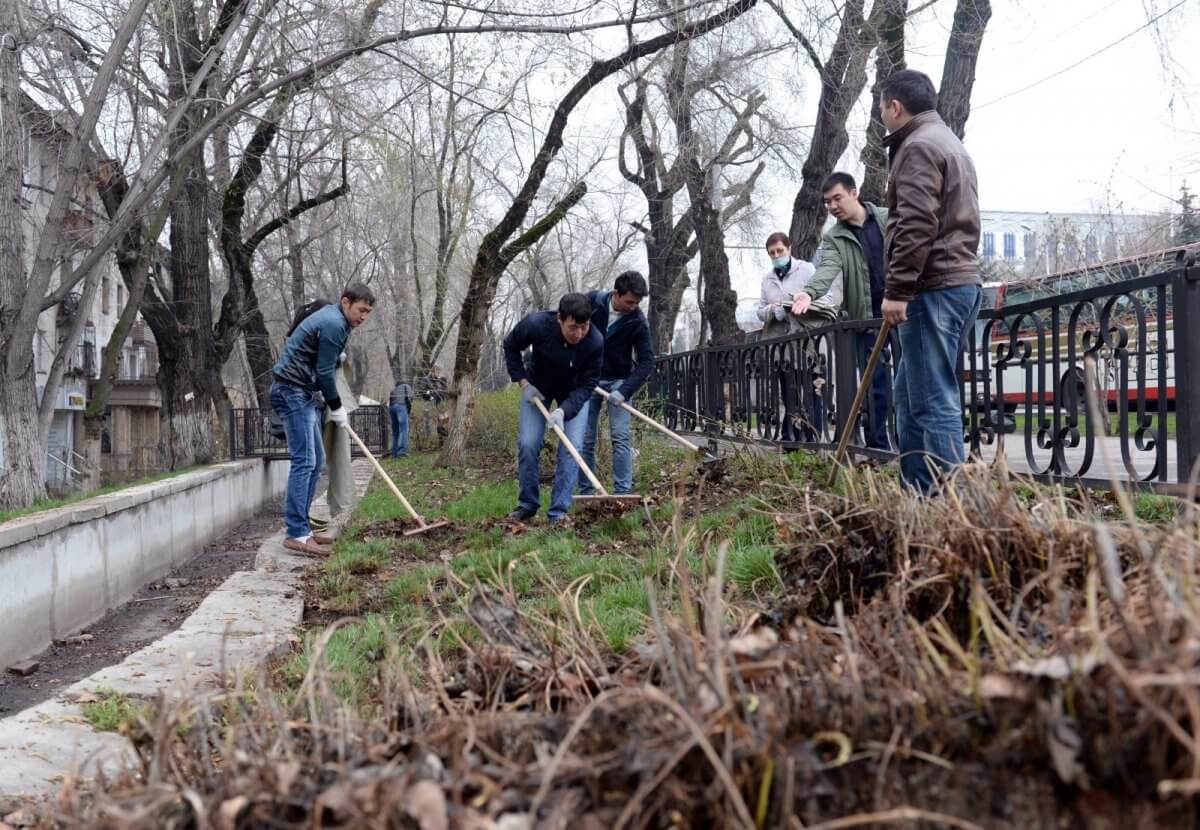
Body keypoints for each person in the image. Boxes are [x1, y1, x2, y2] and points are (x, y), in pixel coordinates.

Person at [878, 69, 982, 493]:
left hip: (933, 286)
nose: (880, 115)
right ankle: (918, 499)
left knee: (933, 402)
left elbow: (918, 223)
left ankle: (955, 514)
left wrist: (898, 289)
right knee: (910, 398)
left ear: (895, 107)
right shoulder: (947, 142)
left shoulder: (918, 147)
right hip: (953, 282)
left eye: (881, 108)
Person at [270, 283, 375, 555]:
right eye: (361, 310)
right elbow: (325, 372)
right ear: (345, 302)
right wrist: (337, 405)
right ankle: (296, 533)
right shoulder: (334, 323)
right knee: (305, 461)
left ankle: (301, 527)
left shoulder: (336, 321)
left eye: (368, 313)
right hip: (291, 391)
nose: (363, 317)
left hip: (300, 391)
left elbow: (322, 361)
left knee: (315, 462)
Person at [808, 171, 893, 451]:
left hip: (903, 311)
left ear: (854, 193)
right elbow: (827, 270)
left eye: (837, 198)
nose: (832, 206)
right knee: (875, 385)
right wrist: (808, 292)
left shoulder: (887, 217)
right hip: (866, 320)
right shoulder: (835, 237)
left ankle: (911, 445)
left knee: (909, 380)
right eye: (827, 202)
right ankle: (879, 448)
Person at [504, 293, 603, 525]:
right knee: (528, 444)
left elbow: (589, 384)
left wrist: (564, 411)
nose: (579, 333)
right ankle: (527, 505)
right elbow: (510, 346)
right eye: (573, 327)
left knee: (572, 448)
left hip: (574, 392)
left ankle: (558, 512)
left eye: (584, 327)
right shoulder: (537, 324)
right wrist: (523, 382)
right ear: (559, 318)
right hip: (538, 388)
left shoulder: (595, 341)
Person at [756, 231, 840, 441]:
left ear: (789, 248)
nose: (777, 255)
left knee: (811, 389)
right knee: (789, 391)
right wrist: (774, 311)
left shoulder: (806, 269)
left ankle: (812, 436)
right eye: (772, 253)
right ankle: (791, 437)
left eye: (780, 251)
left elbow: (826, 296)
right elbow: (760, 310)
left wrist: (804, 304)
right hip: (783, 344)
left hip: (808, 340)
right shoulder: (767, 280)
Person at [578, 271, 654, 496]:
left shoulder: (637, 320)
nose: (634, 306)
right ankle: (587, 492)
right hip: (588, 380)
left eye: (638, 302)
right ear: (615, 294)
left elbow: (647, 361)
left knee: (620, 438)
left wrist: (624, 390)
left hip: (619, 381)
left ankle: (623, 492)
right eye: (630, 301)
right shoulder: (592, 302)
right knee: (585, 439)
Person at [311, 354, 358, 531]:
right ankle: (298, 523)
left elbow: (343, 368)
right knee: (309, 462)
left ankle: (343, 511)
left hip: (332, 401)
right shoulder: (326, 330)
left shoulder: (338, 336)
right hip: (315, 401)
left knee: (336, 459)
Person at [388, 378, 412, 457]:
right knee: (403, 429)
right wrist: (408, 411)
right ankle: (402, 452)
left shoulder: (394, 390)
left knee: (395, 431)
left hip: (391, 408)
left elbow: (389, 402)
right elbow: (410, 398)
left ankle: (394, 453)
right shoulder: (406, 386)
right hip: (401, 406)